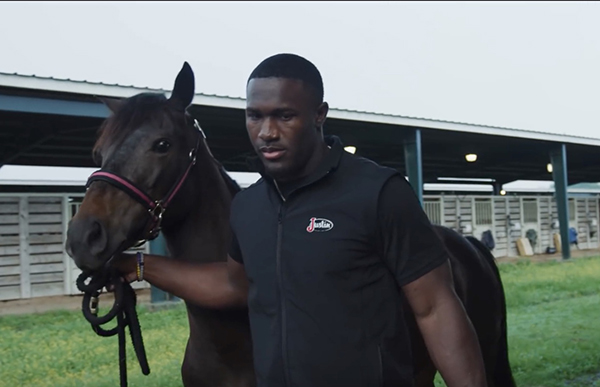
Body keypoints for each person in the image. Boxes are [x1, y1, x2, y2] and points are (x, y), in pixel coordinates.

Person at [114, 53, 487, 387]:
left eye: (284, 115)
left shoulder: (378, 193)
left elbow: (435, 308)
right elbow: (234, 284)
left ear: (320, 114)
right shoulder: (247, 207)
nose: (266, 132)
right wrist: (137, 265)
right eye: (254, 116)